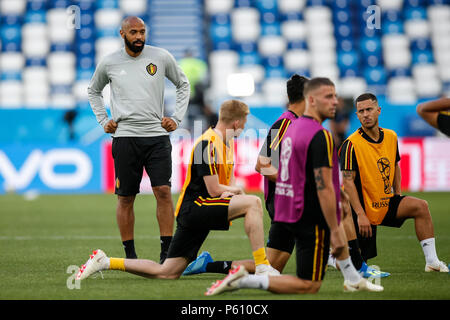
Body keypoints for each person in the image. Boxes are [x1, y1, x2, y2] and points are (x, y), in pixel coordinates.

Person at [183, 75, 388, 279]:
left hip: (289, 199)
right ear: (307, 97)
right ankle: (354, 264)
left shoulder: (300, 123)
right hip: (284, 199)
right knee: (339, 206)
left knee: (272, 266)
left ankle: (208, 265)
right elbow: (262, 164)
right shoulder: (282, 125)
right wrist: (294, 183)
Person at [76, 99, 279, 281]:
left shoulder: (226, 144)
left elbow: (222, 188)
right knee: (253, 202)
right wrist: (235, 191)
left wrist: (231, 191)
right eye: (242, 126)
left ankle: (106, 261)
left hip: (201, 208)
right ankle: (262, 266)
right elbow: (215, 189)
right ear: (236, 123)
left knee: (167, 272)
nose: (242, 130)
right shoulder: (206, 144)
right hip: (196, 209)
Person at [87, 16, 190, 263]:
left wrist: (176, 118)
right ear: (122, 34)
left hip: (157, 136)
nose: (139, 37)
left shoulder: (161, 57)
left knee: (163, 191)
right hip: (125, 138)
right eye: (133, 32)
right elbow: (93, 90)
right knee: (125, 197)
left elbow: (183, 84)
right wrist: (103, 120)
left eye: (142, 32)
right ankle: (130, 255)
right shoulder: (110, 62)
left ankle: (167, 254)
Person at [339, 93, 448, 272]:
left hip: (385, 202)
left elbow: (395, 166)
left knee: (421, 206)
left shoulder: (391, 136)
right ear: (357, 115)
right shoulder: (351, 144)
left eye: (369, 109)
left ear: (378, 110)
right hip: (360, 209)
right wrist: (360, 215)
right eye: (361, 111)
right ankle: (329, 255)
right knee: (356, 263)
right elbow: (348, 182)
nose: (365, 114)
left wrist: (397, 195)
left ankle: (432, 262)